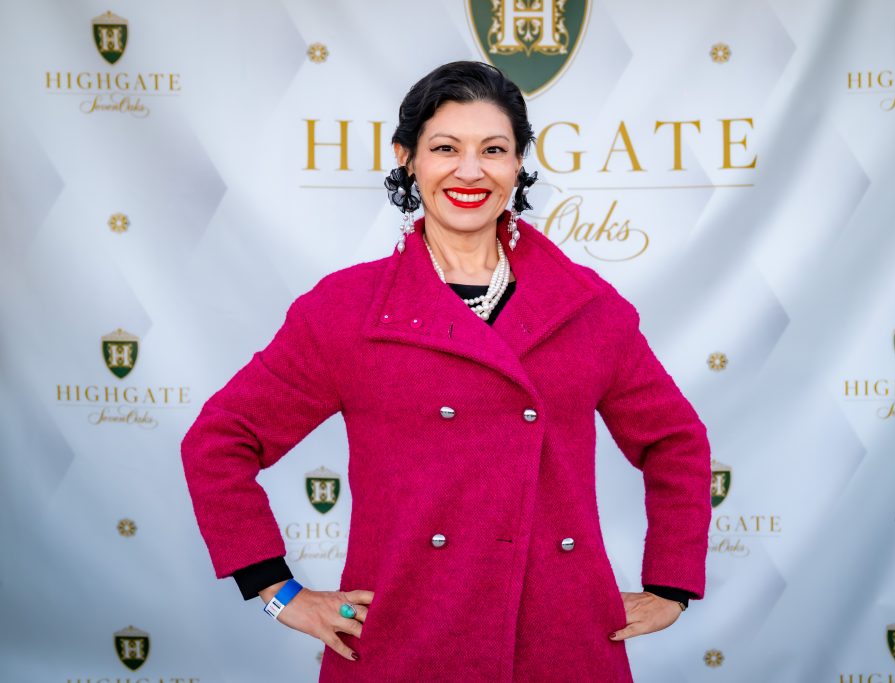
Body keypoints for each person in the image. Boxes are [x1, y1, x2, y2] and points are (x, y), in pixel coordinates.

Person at [180, 60, 712, 683]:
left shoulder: (588, 307)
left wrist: (670, 585)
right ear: (408, 158)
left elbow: (675, 441)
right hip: (404, 641)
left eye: (493, 149)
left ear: (518, 164)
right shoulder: (347, 311)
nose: (469, 170)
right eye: (444, 148)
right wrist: (276, 589)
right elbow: (219, 442)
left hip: (559, 644)